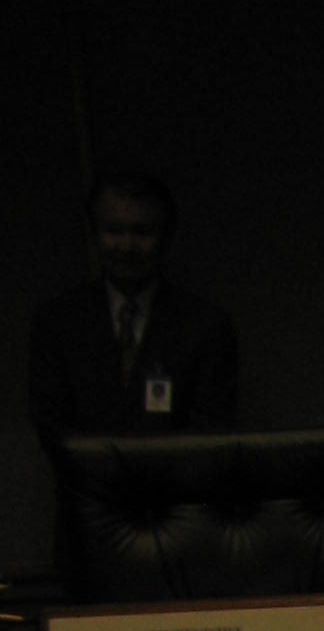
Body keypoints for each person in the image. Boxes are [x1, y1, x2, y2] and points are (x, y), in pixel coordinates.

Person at [27, 172, 239, 451]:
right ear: (95, 234)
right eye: (114, 231)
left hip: (178, 478)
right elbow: (53, 428)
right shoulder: (58, 322)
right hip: (85, 479)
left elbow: (209, 433)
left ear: (167, 237)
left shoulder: (205, 326)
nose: (127, 246)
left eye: (142, 232)